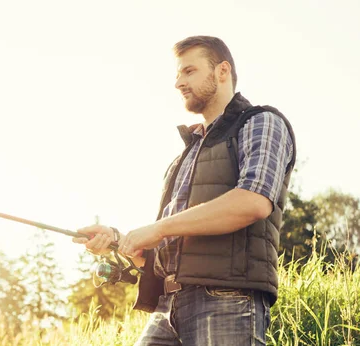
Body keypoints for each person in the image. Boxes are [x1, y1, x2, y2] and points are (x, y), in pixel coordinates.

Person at [73, 35, 296, 345]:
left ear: (222, 71)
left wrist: (159, 229)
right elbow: (164, 248)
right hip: (168, 306)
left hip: (227, 301)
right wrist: (120, 242)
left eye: (189, 71)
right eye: (177, 74)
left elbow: (253, 201)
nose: (178, 82)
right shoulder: (184, 156)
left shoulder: (261, 122)